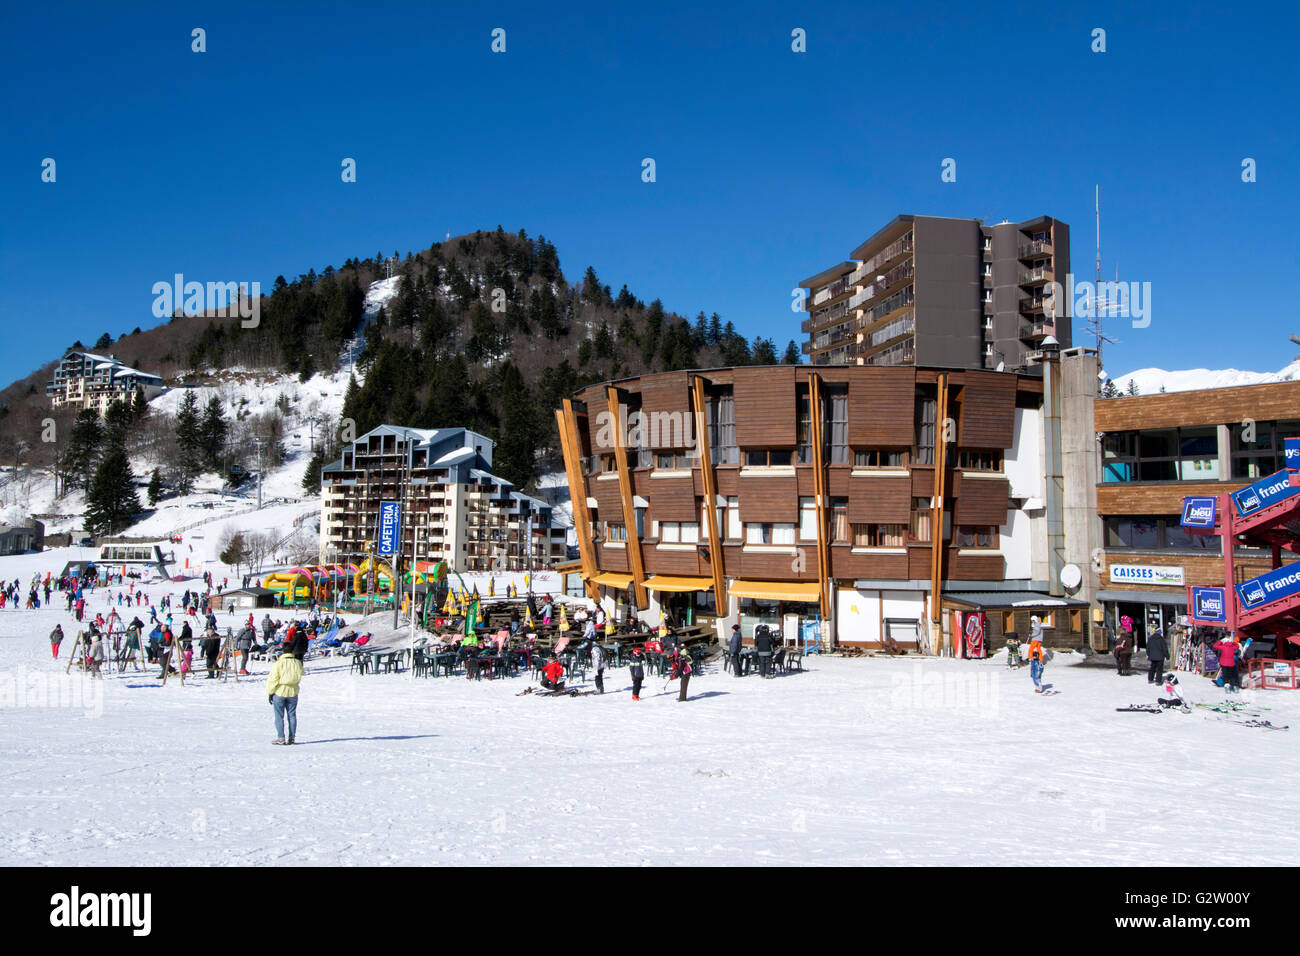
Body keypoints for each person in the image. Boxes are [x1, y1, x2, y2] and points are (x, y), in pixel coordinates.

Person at [266, 646, 304, 745]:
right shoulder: (297, 662)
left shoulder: (278, 663)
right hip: (293, 691)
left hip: (280, 691)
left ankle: (281, 737)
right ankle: (292, 737)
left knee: (279, 716)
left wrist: (270, 692)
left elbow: (273, 679)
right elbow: (301, 674)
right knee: (292, 715)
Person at [1027, 616, 1048, 693]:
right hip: (1039, 639)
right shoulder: (1038, 624)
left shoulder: (1036, 624)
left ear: (1034, 620)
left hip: (1036, 639)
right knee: (1038, 649)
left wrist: (1031, 635)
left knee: (1031, 648)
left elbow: (1037, 631)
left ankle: (1030, 657)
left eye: (1032, 621)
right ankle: (1040, 658)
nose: (1032, 622)